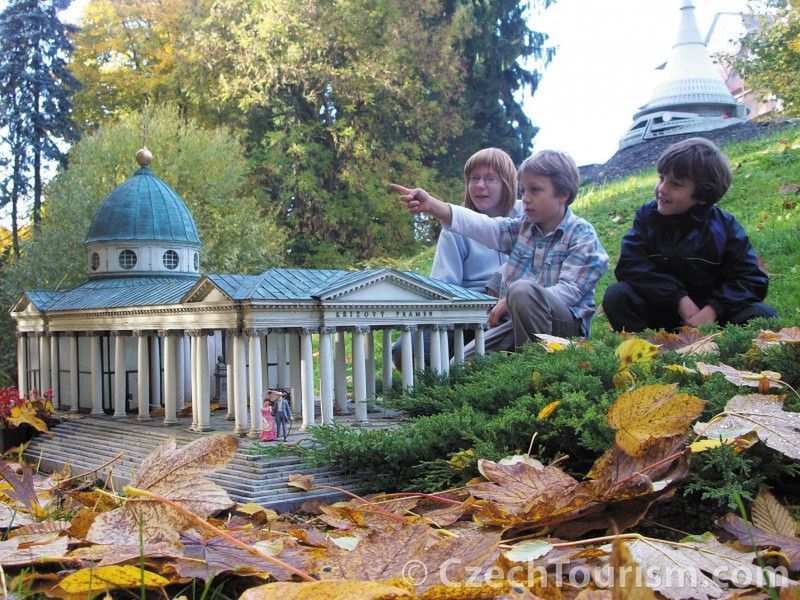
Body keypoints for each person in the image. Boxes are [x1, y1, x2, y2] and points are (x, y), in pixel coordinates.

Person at [392, 149, 608, 355]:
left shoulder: (582, 234)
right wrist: (433, 205)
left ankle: (537, 369)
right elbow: (487, 228)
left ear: (563, 194)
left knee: (521, 291)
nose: (527, 198)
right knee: (464, 364)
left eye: (535, 190)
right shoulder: (524, 227)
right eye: (524, 191)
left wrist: (511, 299)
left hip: (563, 326)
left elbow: (569, 291)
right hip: (509, 320)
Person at [602, 137, 777, 332]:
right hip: (660, 311)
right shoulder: (646, 217)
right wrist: (678, 298)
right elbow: (630, 265)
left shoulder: (724, 227)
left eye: (675, 184)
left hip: (712, 317)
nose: (662, 189)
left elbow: (751, 278)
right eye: (661, 178)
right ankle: (644, 350)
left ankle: (722, 348)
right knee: (617, 295)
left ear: (703, 195)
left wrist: (713, 309)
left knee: (764, 315)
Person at [391, 147, 520, 368]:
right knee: (407, 348)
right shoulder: (454, 227)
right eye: (474, 178)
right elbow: (444, 287)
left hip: (516, 309)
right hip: (467, 318)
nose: (480, 186)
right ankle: (447, 383)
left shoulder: (526, 218)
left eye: (490, 178)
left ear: (507, 183)